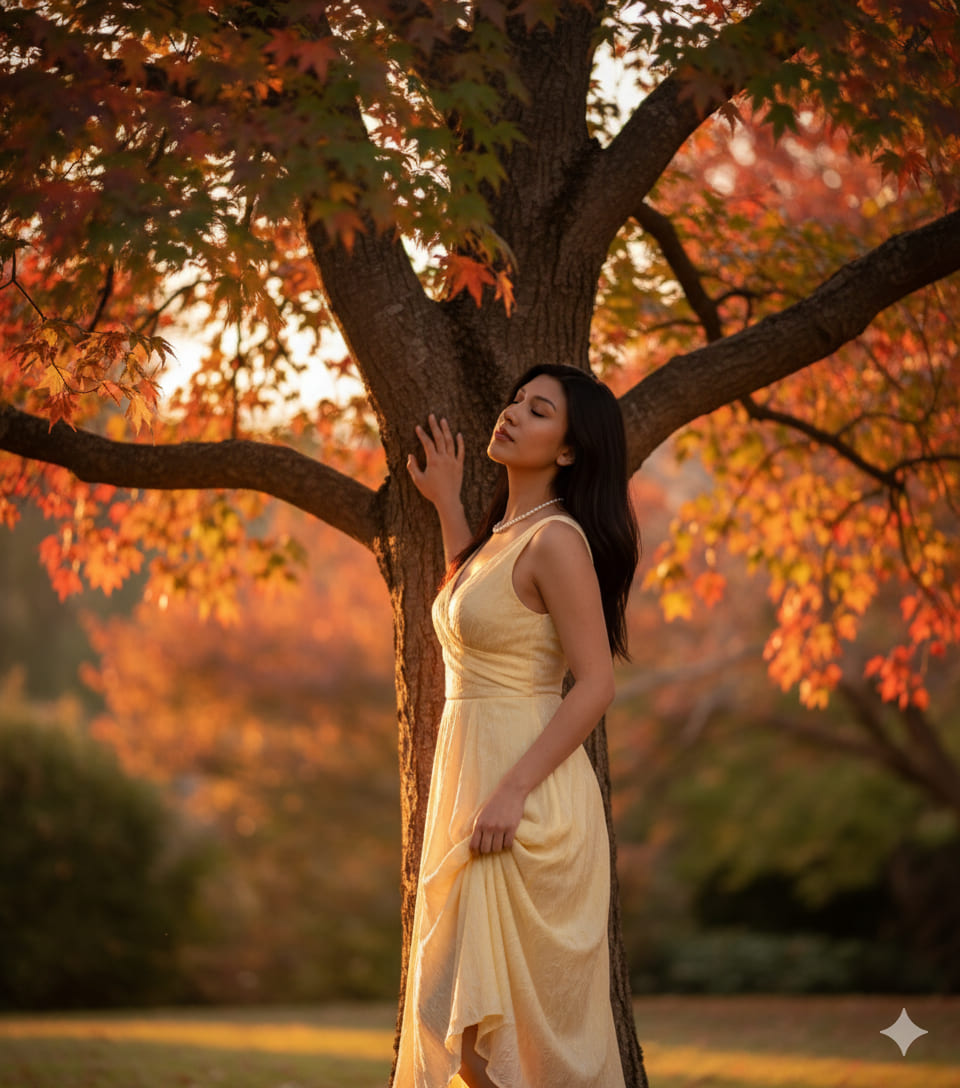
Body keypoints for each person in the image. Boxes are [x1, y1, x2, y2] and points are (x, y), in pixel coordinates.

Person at [395, 363, 640, 1088]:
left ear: (567, 451)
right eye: (515, 402)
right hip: (473, 786)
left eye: (538, 411)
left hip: (523, 803)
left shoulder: (558, 540)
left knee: (488, 1043)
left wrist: (511, 792)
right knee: (465, 1034)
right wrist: (447, 505)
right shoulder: (503, 540)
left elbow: (595, 683)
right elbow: (485, 628)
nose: (511, 414)